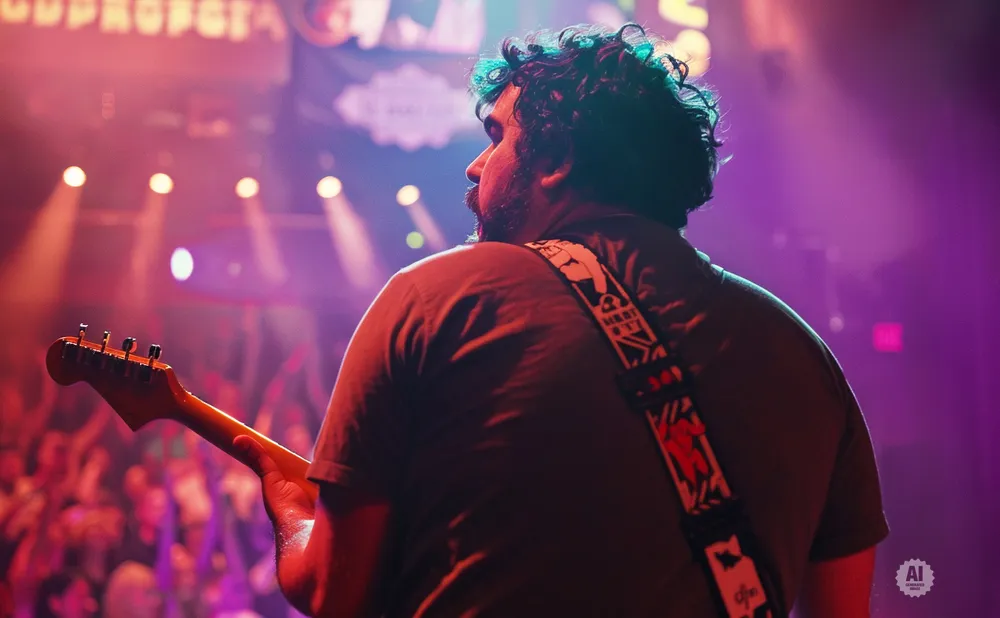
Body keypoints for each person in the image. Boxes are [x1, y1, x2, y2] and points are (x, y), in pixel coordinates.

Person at [234, 23, 889, 618]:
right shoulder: (807, 360)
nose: (475, 165)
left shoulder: (434, 299)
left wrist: (293, 515)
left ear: (555, 162)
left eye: (497, 137)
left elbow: (334, 593)